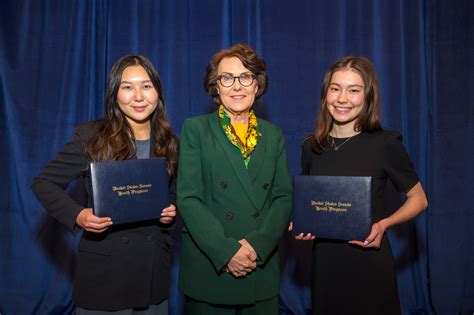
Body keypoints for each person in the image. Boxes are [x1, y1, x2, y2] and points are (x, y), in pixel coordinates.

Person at [31, 55, 178, 314]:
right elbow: (43, 182)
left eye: (146, 86)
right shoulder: (92, 136)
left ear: (158, 91)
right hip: (105, 277)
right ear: (114, 94)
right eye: (127, 87)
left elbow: (175, 195)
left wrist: (171, 213)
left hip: (153, 276)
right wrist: (78, 215)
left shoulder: (169, 141)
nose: (139, 96)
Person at [295, 56, 428, 315]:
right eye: (335, 88)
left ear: (368, 96)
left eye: (353, 90)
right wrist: (302, 222)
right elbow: (311, 202)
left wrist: (383, 225)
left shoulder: (385, 144)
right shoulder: (310, 147)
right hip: (325, 265)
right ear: (326, 94)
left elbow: (419, 199)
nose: (342, 98)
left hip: (369, 265)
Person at [177, 43, 292, 314]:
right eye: (227, 78)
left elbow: (283, 197)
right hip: (210, 272)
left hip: (259, 269)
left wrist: (256, 245)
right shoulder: (195, 129)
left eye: (245, 77)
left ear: (257, 85)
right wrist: (227, 252)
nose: (237, 86)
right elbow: (188, 198)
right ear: (215, 86)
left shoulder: (273, 134)